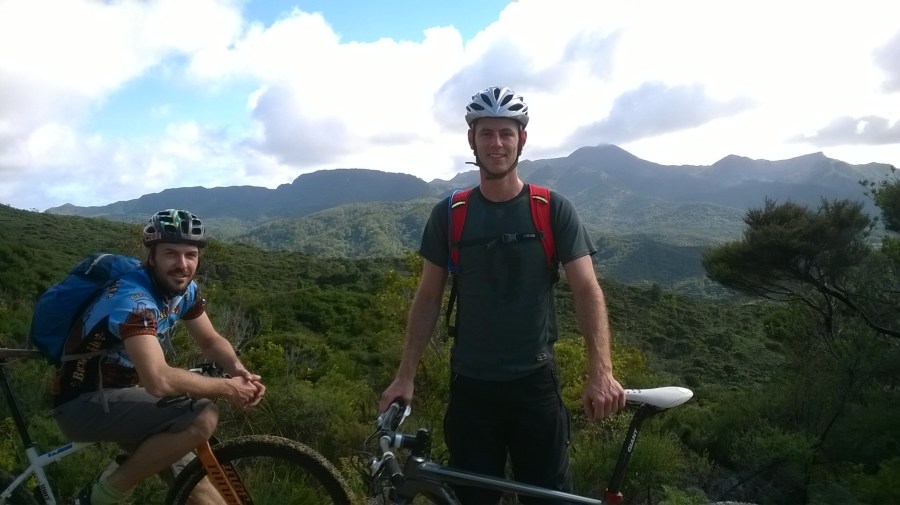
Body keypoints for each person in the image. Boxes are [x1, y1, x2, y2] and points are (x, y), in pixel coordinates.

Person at [379, 85, 626, 504]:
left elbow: (587, 288)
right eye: (487, 133)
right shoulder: (450, 215)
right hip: (472, 390)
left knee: (548, 499)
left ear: (521, 139)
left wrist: (600, 370)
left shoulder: (552, 209)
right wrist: (405, 375)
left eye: (506, 133)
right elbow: (428, 297)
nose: (496, 143)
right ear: (471, 140)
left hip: (536, 386)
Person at [51, 209, 265, 505]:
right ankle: (98, 497)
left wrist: (239, 371)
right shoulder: (133, 300)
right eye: (170, 254)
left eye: (191, 255)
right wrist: (228, 387)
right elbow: (159, 380)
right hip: (84, 404)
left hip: (127, 399)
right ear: (151, 256)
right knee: (203, 416)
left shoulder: (184, 291)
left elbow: (210, 340)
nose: (182, 264)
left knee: (197, 486)